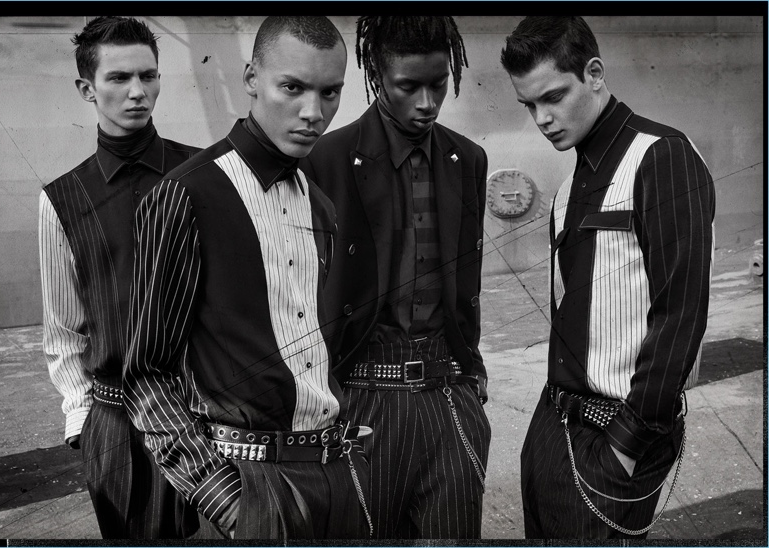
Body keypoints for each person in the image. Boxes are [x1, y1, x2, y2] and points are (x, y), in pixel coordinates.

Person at [122, 16, 372, 540]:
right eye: (293, 87)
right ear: (251, 78)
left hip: (334, 474)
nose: (314, 112)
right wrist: (227, 501)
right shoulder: (185, 194)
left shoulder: (320, 205)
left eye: (330, 92)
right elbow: (147, 373)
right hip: (246, 482)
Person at [500, 16, 716, 539]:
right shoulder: (569, 184)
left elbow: (681, 314)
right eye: (529, 105)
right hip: (554, 423)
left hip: (616, 435)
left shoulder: (661, 155)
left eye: (553, 97)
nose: (542, 119)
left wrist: (627, 444)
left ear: (594, 74)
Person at [300, 16, 491, 539]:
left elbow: (467, 283)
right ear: (378, 77)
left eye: (439, 84)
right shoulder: (325, 160)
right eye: (409, 87)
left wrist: (472, 376)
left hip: (450, 394)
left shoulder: (468, 159)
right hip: (358, 395)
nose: (427, 103)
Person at [38, 16, 200, 539]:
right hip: (116, 427)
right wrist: (82, 422)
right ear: (87, 89)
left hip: (202, 414)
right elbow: (63, 330)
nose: (138, 91)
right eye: (119, 78)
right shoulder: (61, 199)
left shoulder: (204, 172)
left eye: (148, 76)